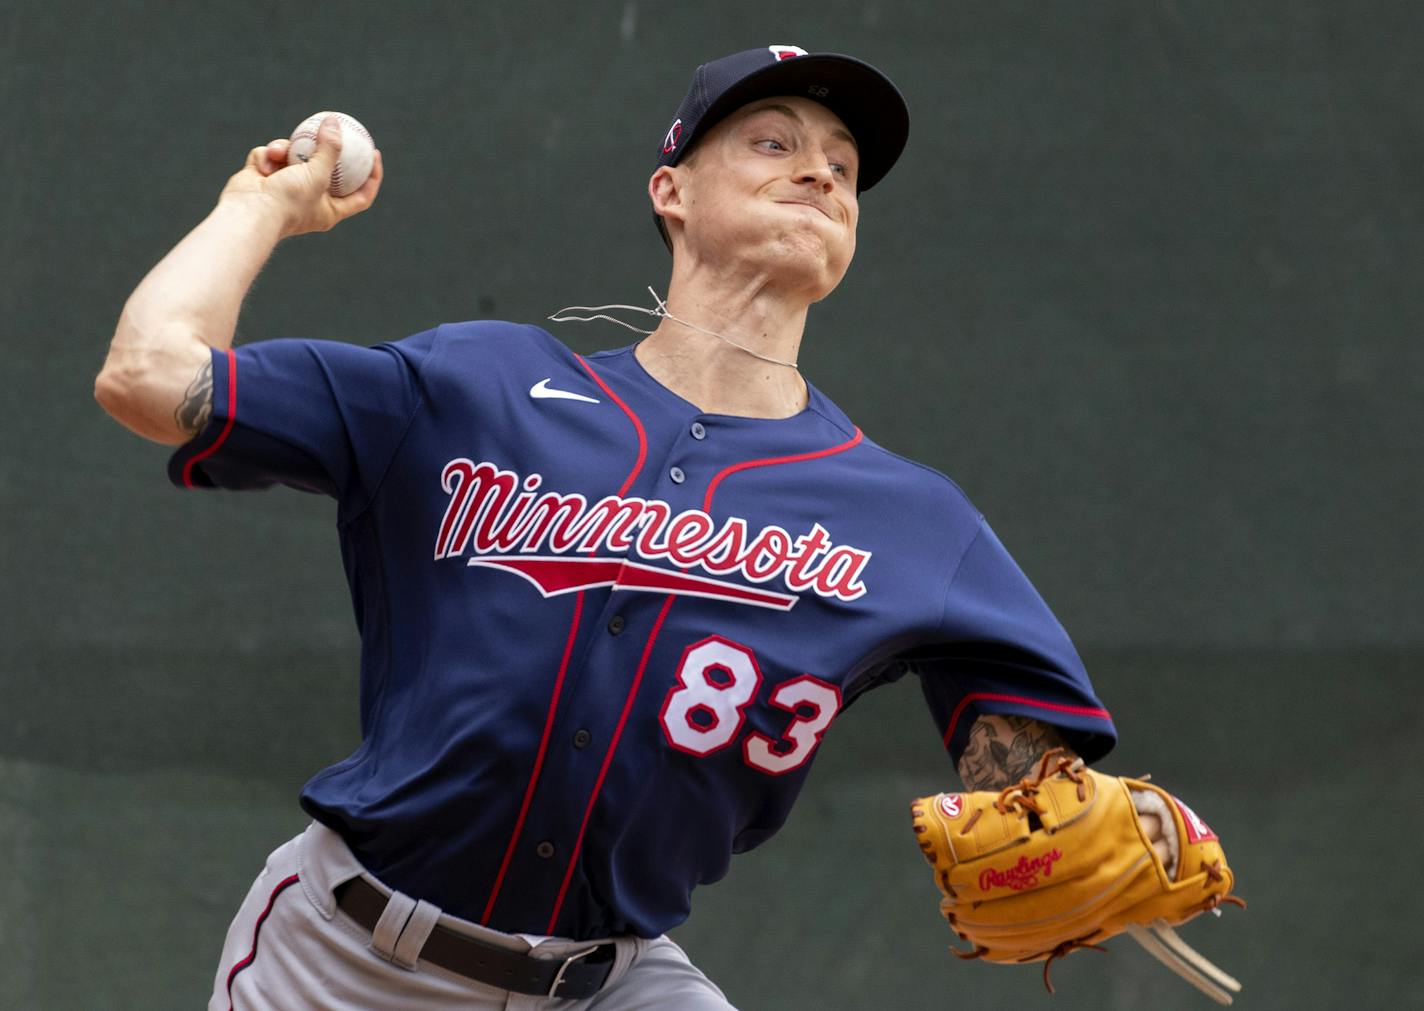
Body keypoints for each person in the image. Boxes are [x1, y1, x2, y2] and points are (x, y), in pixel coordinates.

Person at [96, 46, 1134, 1011]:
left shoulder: (909, 521)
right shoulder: (477, 386)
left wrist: (1071, 818)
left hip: (612, 982)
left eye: (843, 165)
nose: (818, 174)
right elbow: (146, 376)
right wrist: (261, 205)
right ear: (669, 191)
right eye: (772, 143)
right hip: (345, 960)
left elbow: (1037, 787)